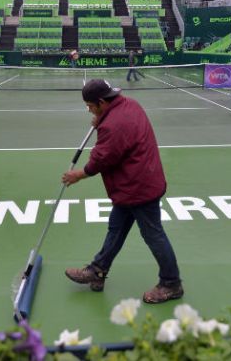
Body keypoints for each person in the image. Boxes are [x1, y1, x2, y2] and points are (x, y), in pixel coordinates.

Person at [62, 79, 183, 304]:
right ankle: (98, 271)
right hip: (133, 183)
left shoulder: (114, 124)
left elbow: (102, 159)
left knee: (153, 234)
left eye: (90, 106)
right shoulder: (129, 105)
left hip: (139, 187)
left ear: (101, 102)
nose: (88, 110)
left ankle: (171, 283)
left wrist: (77, 175)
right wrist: (100, 120)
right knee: (116, 228)